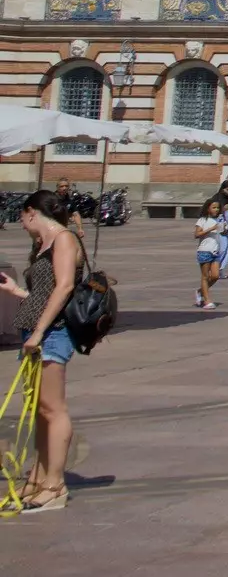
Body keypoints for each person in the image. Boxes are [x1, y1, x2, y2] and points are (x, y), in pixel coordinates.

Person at [0, 189, 84, 511]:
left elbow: (63, 287)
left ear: (32, 211)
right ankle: (38, 477)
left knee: (53, 408)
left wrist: (37, 332)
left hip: (53, 334)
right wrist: (18, 291)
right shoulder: (42, 244)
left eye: (21, 217)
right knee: (37, 409)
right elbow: (42, 295)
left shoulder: (64, 239)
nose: (21, 224)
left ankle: (56, 484)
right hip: (36, 333)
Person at [193, 197, 226, 310]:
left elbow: (221, 232)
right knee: (205, 276)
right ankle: (207, 301)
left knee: (215, 276)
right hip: (204, 251)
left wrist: (224, 229)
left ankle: (200, 291)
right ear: (208, 209)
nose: (216, 210)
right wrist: (211, 229)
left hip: (215, 251)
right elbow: (197, 234)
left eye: (218, 208)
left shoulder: (219, 220)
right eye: (214, 207)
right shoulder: (202, 220)